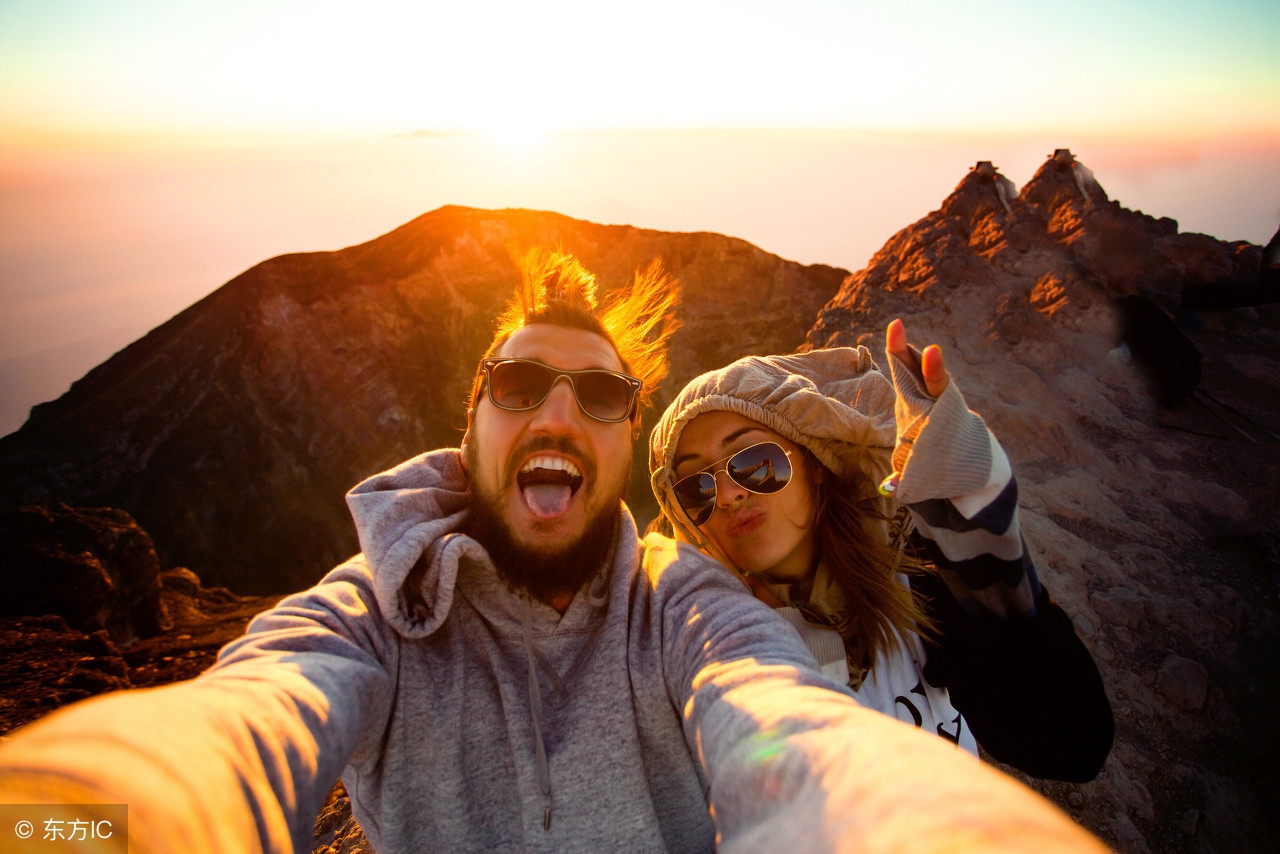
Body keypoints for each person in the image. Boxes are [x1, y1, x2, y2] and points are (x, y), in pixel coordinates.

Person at [0, 251, 1109, 853]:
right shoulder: (369, 611)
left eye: (598, 394)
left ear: (619, 446)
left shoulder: (680, 603)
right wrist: (69, 810)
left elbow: (787, 723)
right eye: (519, 386)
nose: (556, 413)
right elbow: (246, 715)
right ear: (470, 422)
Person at [648, 322, 1113, 782]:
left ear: (815, 462)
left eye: (754, 462)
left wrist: (982, 548)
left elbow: (1071, 748)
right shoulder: (713, 651)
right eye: (697, 489)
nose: (727, 495)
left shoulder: (915, 580)